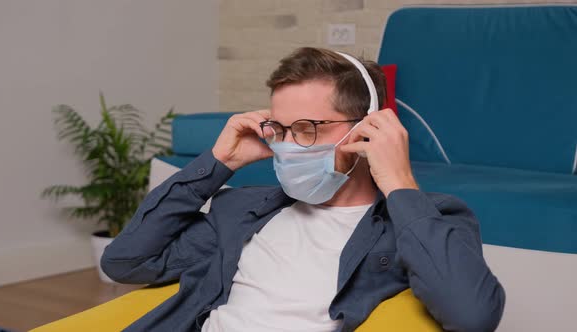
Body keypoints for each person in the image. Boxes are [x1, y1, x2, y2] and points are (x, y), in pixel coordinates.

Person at [101, 47, 505, 332]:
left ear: (367, 127)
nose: (288, 145)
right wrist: (219, 162)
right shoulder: (241, 210)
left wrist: (399, 182)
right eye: (280, 129)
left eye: (308, 129)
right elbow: (126, 262)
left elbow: (471, 315)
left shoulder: (422, 220)